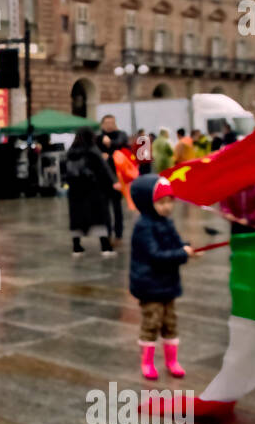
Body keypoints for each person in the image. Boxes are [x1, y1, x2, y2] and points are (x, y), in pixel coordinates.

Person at [129, 174, 195, 380]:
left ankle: (172, 361)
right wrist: (182, 254)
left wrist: (187, 247)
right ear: (148, 202)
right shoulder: (144, 226)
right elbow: (155, 255)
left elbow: (174, 244)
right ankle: (147, 362)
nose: (167, 206)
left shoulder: (166, 222)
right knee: (152, 322)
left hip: (167, 282)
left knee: (170, 322)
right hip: (150, 284)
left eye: (169, 201)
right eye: (161, 202)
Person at [63, 128, 118, 256]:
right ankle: (105, 247)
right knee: (99, 217)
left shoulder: (71, 152)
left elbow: (65, 171)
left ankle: (76, 247)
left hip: (75, 191)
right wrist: (114, 182)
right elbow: (104, 168)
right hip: (93, 190)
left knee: (76, 218)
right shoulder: (92, 150)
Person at [96, 114, 129, 244]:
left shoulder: (120, 135)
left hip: (117, 178)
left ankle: (118, 234)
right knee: (104, 208)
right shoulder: (98, 137)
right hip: (103, 178)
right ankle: (107, 233)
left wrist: (109, 154)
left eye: (112, 122)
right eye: (107, 122)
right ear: (102, 124)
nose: (109, 125)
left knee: (117, 207)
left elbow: (122, 145)